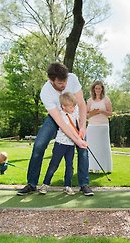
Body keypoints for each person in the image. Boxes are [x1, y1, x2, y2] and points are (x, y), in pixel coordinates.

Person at [17, 62, 94, 196]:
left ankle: (84, 184)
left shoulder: (73, 78)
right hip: (56, 116)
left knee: (83, 148)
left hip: (74, 115)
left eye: (65, 81)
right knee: (39, 145)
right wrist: (76, 139)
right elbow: (61, 122)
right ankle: (31, 183)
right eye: (60, 83)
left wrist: (82, 127)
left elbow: (81, 104)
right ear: (51, 80)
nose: (64, 85)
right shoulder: (45, 92)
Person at [38, 93, 80, 195]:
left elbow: (77, 123)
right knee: (54, 165)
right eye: (71, 106)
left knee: (70, 166)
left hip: (70, 145)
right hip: (60, 144)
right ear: (63, 107)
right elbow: (69, 129)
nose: (73, 108)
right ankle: (45, 184)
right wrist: (80, 140)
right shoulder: (61, 115)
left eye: (74, 106)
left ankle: (67, 186)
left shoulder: (74, 112)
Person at [86, 81, 113, 173]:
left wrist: (101, 111)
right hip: (92, 126)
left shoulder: (106, 99)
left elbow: (110, 113)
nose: (97, 90)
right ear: (93, 89)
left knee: (102, 147)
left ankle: (100, 168)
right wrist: (92, 113)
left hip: (103, 126)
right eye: (96, 88)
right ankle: (90, 167)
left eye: (99, 88)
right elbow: (86, 115)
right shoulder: (89, 101)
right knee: (92, 147)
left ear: (102, 89)